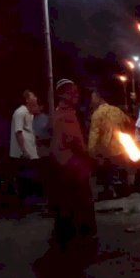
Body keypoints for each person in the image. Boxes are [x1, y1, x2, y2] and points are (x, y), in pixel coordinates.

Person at [50, 79, 96, 248]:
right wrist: (86, 156)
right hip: (71, 166)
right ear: (61, 95)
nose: (75, 95)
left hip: (72, 165)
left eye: (76, 91)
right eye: (71, 91)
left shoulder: (69, 113)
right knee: (77, 201)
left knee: (75, 202)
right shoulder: (64, 116)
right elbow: (73, 142)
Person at [87, 87, 132, 200]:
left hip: (107, 150)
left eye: (93, 97)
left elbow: (94, 135)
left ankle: (112, 193)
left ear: (98, 98)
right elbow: (128, 123)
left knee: (110, 174)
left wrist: (91, 152)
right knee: (121, 172)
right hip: (122, 148)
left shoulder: (97, 114)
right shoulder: (116, 110)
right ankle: (123, 191)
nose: (91, 100)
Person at [9, 90, 41, 206]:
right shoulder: (20, 112)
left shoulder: (28, 113)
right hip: (23, 153)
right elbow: (18, 132)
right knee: (25, 178)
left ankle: (31, 201)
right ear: (27, 99)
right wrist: (24, 150)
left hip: (30, 151)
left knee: (31, 177)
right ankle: (25, 203)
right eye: (33, 96)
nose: (36, 98)